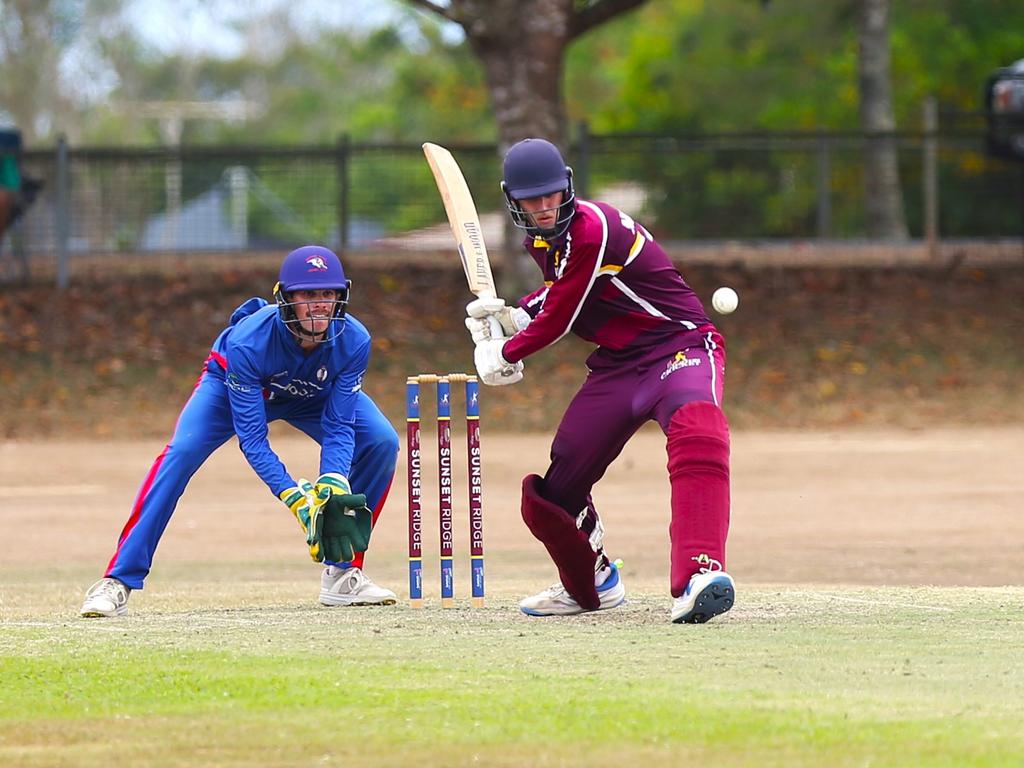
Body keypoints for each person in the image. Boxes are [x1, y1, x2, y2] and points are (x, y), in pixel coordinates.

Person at [467, 138, 735, 624]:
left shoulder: (591, 229)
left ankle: (700, 574)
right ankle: (593, 582)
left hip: (681, 346)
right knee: (555, 491)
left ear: (567, 184)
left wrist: (503, 352)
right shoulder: (546, 240)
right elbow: (565, 291)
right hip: (618, 365)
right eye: (533, 200)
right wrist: (512, 313)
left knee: (698, 428)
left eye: (553, 194)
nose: (546, 208)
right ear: (514, 200)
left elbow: (562, 315)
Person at [80, 245, 400, 617]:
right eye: (308, 295)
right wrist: (295, 497)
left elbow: (340, 425)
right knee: (180, 455)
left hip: (312, 391)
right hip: (234, 387)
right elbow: (251, 439)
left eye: (327, 294)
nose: (319, 305)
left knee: (380, 440)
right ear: (287, 299)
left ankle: (343, 574)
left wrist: (332, 481)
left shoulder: (354, 340)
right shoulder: (248, 341)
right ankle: (117, 580)